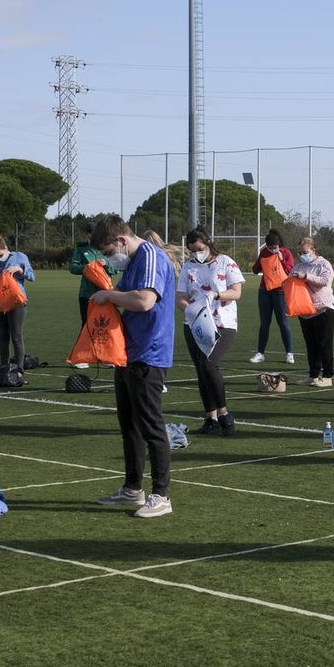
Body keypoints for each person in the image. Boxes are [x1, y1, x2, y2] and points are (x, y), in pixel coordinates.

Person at [90, 215, 177, 518]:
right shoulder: (135, 260)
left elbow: (144, 301)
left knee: (151, 425)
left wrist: (109, 294)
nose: (108, 257)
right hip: (128, 353)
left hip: (149, 354)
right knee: (129, 425)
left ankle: (161, 495)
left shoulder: (150, 257)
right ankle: (132, 489)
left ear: (122, 241)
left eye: (108, 250)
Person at [177, 226, 243, 436]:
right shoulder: (188, 266)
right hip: (195, 324)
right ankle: (211, 418)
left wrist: (216, 295)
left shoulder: (225, 262)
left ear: (207, 243)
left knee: (209, 364)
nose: (197, 253)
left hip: (222, 322)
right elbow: (180, 296)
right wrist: (190, 309)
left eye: (200, 248)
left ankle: (224, 413)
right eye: (192, 250)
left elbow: (236, 292)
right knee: (200, 369)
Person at [0, 230, 35, 372]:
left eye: (0, 255)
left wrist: (20, 270)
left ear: (5, 248)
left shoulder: (20, 257)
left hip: (17, 302)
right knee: (3, 338)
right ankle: (4, 368)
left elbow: (32, 277)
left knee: (16, 337)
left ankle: (19, 370)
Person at [289, 236, 334, 387]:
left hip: (323, 309)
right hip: (305, 311)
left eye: (305, 252)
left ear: (313, 250)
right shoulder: (298, 266)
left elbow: (325, 281)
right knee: (311, 345)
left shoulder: (323, 264)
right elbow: (290, 283)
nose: (302, 255)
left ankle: (328, 376)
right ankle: (313, 375)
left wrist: (306, 277)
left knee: (324, 344)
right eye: (300, 253)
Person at [69, 222, 118, 370]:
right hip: (87, 294)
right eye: (91, 234)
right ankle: (82, 357)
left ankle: (104, 356)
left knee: (105, 325)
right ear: (88, 235)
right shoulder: (81, 249)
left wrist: (106, 264)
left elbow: (116, 269)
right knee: (87, 325)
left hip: (106, 293)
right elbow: (73, 267)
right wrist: (88, 268)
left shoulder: (106, 249)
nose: (93, 236)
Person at [250, 229, 295, 364]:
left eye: (274, 247)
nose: (272, 250)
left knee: (283, 322)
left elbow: (290, 270)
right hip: (265, 290)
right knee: (264, 323)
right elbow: (255, 270)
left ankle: (289, 353)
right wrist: (260, 261)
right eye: (269, 247)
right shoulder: (264, 253)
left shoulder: (285, 253)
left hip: (280, 291)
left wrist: (281, 260)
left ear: (278, 244)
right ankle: (260, 353)